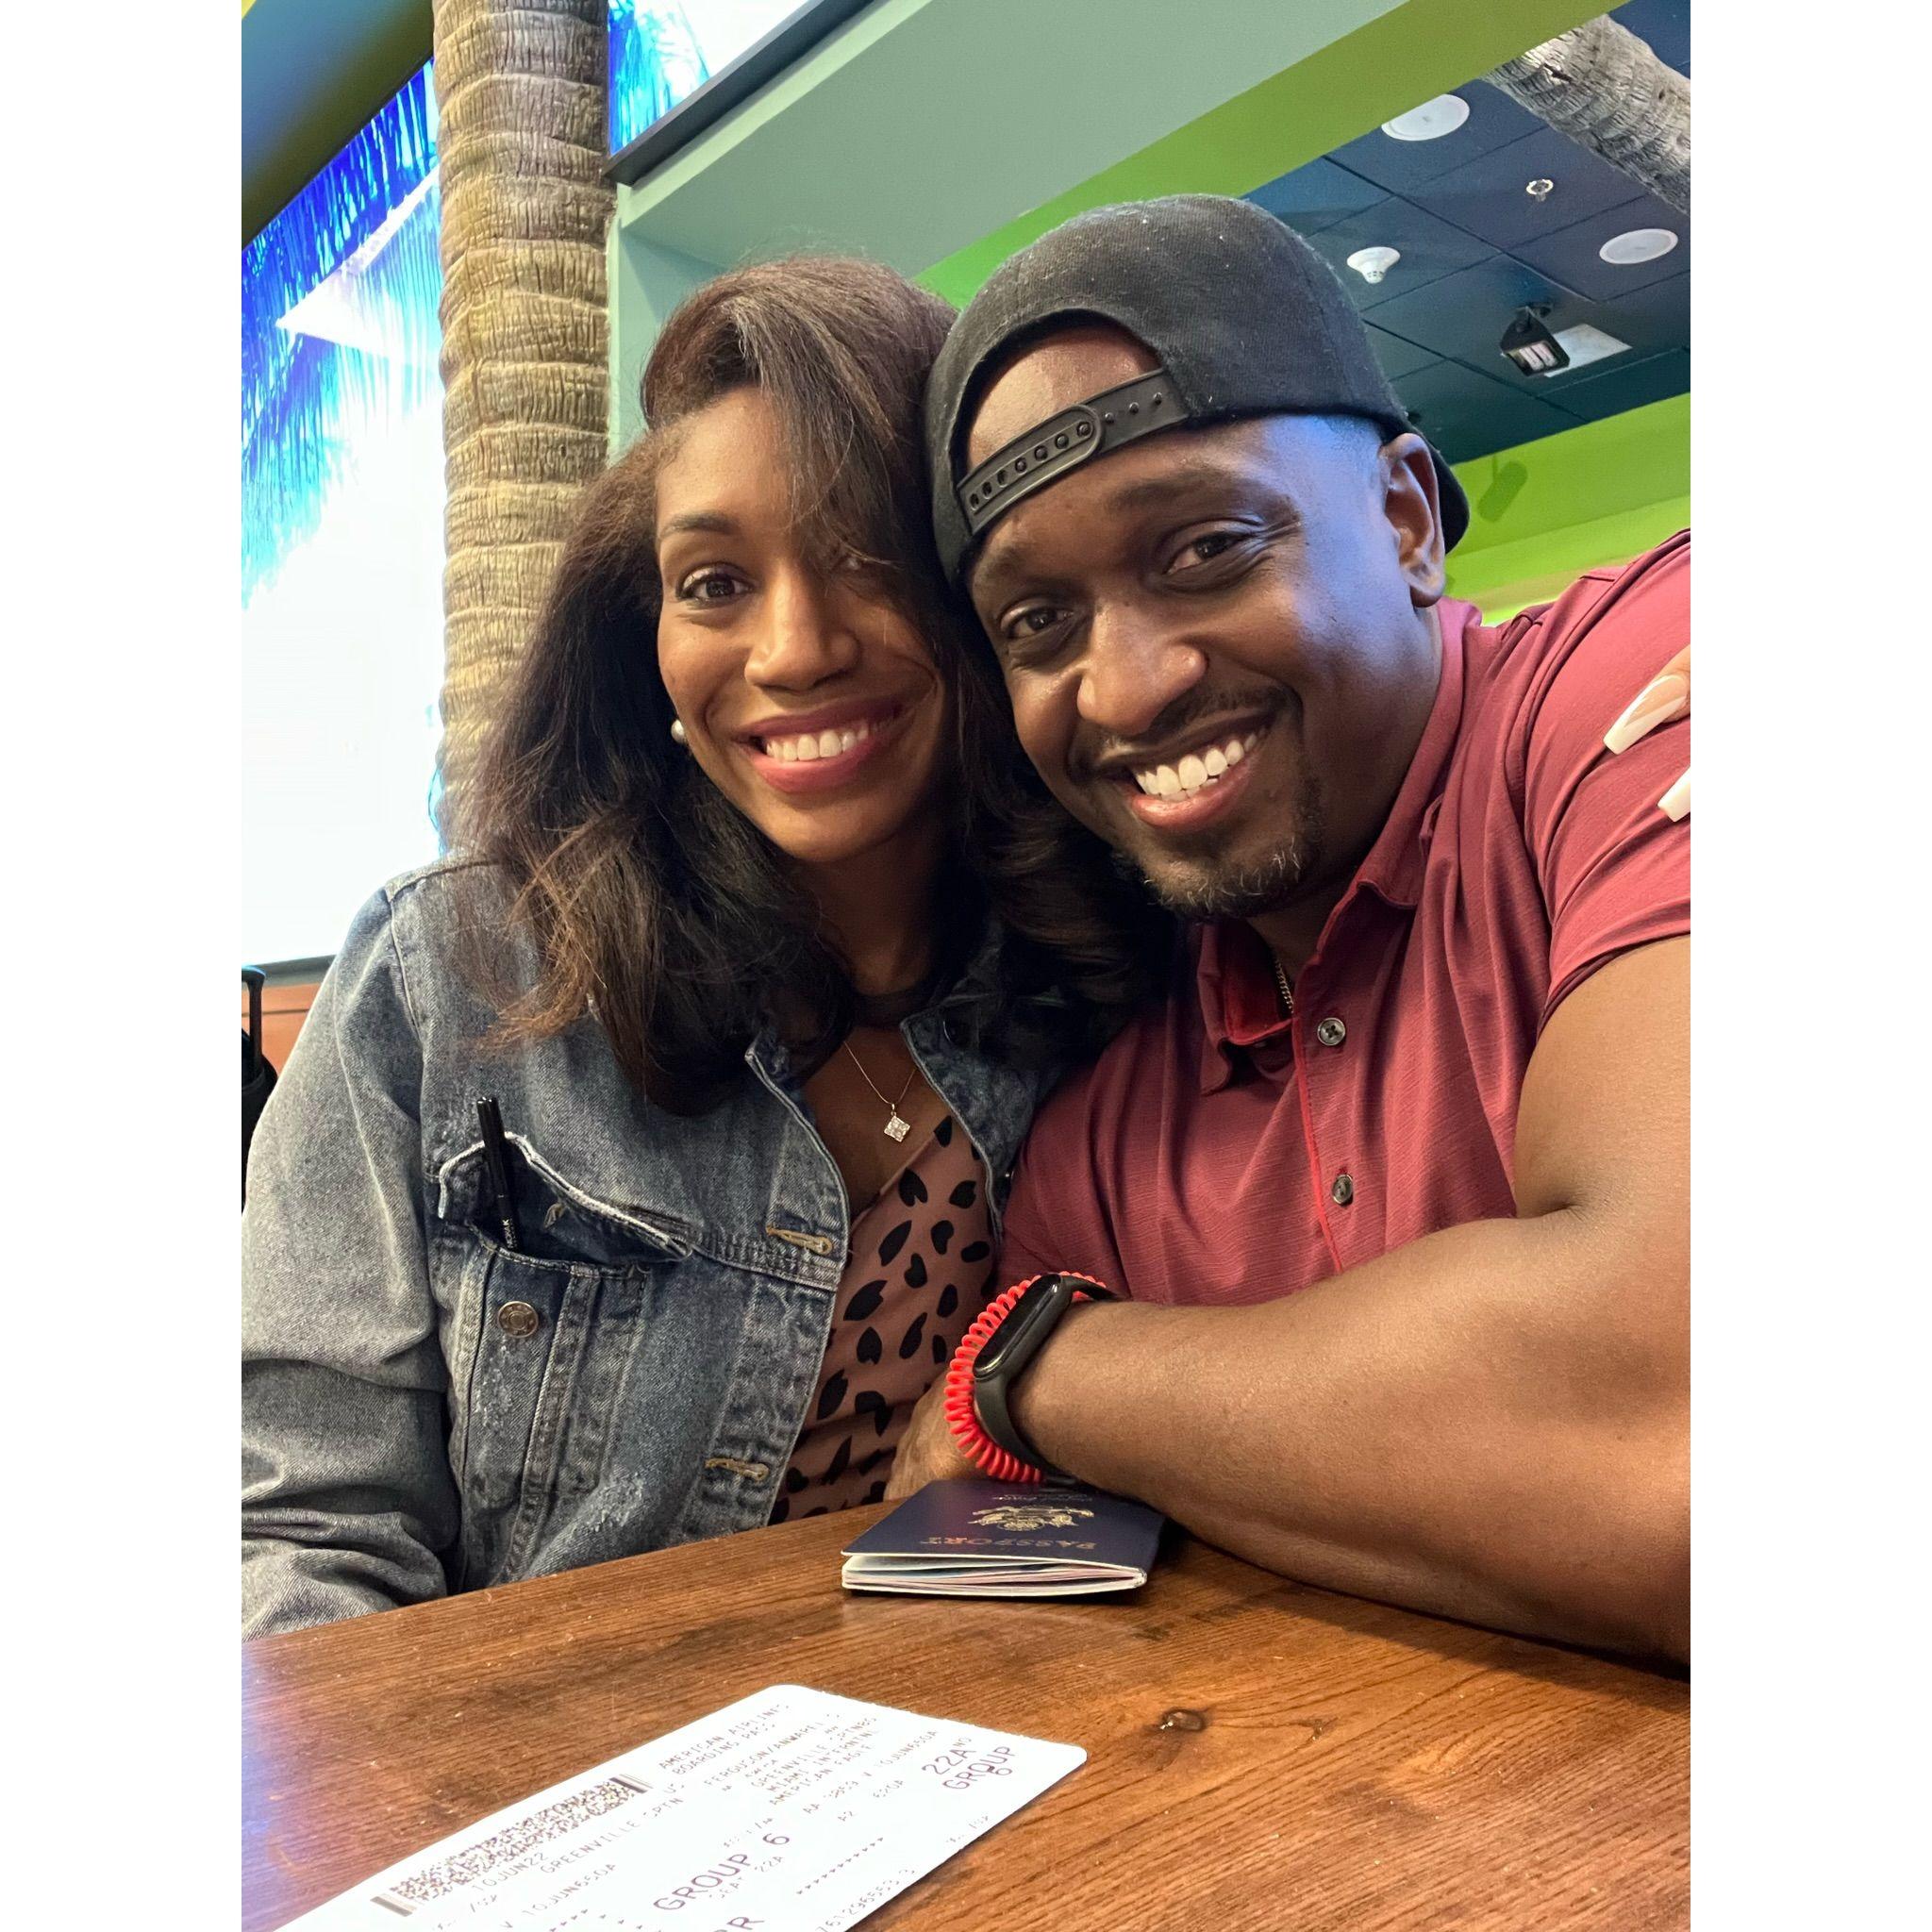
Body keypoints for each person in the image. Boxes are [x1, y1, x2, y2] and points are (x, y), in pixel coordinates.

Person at [240, 258, 1168, 1637]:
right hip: (514, 1755)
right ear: (648, 636)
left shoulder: (1098, 981)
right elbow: (304, 1531)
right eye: (716, 582)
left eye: (866, 556)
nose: (793, 650)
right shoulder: (454, 971)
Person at [885, 196, 1690, 1665]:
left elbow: (1688, 1441)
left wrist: (1041, 1367)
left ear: (1405, 520)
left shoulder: (1645, 689)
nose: (1126, 688)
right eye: (1039, 625)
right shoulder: (1106, 1135)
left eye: (1207, 547)